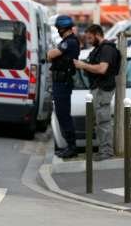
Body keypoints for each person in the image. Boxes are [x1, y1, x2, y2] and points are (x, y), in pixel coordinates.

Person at [74, 24, 120, 161]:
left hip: (102, 89)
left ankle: (106, 152)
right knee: (99, 121)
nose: (88, 41)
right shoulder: (100, 49)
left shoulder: (106, 49)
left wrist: (83, 65)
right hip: (98, 88)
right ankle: (103, 150)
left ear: (97, 34)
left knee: (103, 121)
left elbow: (102, 69)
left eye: (90, 37)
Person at [47, 15, 80, 158]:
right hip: (60, 82)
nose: (58, 31)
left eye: (58, 28)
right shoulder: (66, 41)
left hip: (63, 83)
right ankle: (68, 146)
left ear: (62, 28)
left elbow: (51, 55)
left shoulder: (70, 42)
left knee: (64, 114)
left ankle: (72, 147)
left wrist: (51, 53)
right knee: (61, 114)